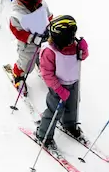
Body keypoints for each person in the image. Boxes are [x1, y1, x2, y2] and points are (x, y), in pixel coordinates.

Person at [35, 16, 89, 147]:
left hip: (73, 82)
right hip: (57, 86)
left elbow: (82, 57)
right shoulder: (49, 51)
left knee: (73, 106)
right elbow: (47, 74)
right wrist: (58, 89)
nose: (72, 40)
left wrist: (84, 49)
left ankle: (69, 125)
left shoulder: (74, 46)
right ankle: (43, 134)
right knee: (54, 111)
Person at [7, 0, 50, 92]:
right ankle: (18, 74)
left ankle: (41, 66)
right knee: (26, 63)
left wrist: (51, 28)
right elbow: (17, 31)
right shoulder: (17, 14)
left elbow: (49, 17)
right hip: (28, 45)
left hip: (45, 40)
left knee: (45, 56)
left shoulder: (42, 5)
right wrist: (33, 39)